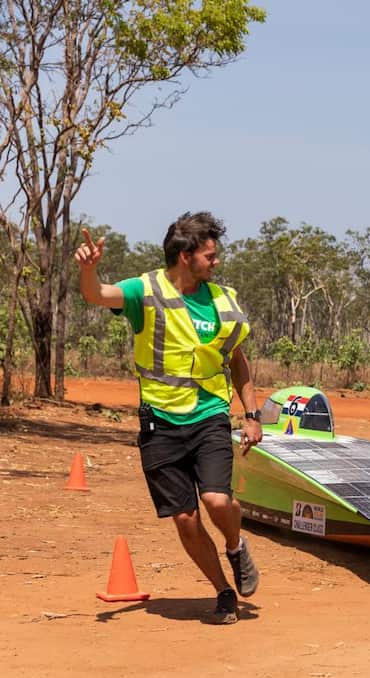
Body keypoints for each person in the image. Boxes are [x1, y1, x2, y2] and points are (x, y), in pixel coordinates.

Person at [76, 212, 261, 625]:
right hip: (160, 421)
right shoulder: (145, 290)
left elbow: (238, 361)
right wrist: (89, 270)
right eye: (209, 255)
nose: (216, 262)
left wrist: (252, 415)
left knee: (216, 500)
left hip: (210, 414)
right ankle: (223, 590)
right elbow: (98, 295)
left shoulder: (222, 300)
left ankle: (235, 545)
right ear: (184, 255)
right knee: (184, 517)